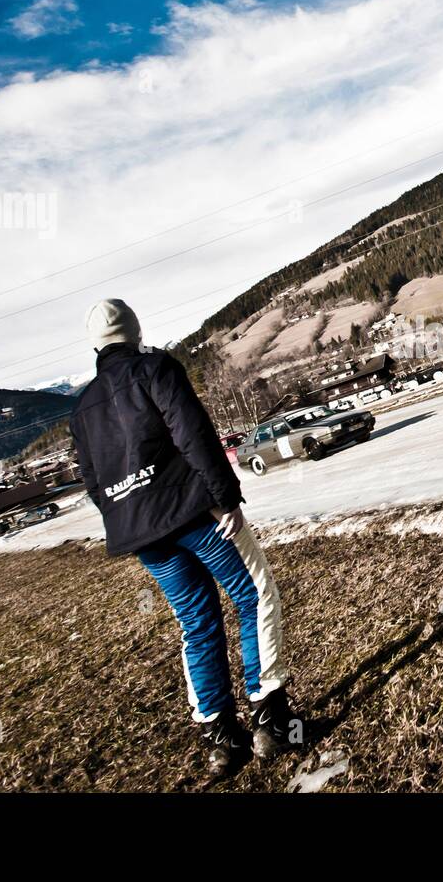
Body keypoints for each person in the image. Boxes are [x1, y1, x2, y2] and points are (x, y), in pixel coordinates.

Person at [69, 298, 302, 778]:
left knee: (196, 622)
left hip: (144, 534)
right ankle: (270, 722)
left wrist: (131, 516)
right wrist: (224, 494)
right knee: (254, 596)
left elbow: (94, 483)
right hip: (196, 514)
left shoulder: (82, 408)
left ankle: (220, 738)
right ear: (134, 332)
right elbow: (191, 431)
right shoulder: (154, 369)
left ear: (95, 345)